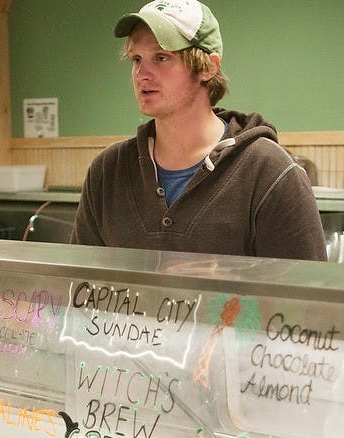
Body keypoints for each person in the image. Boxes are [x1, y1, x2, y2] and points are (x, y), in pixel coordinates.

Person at [72, 0, 327, 260]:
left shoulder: (270, 173)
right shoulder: (106, 172)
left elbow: (308, 298)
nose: (141, 74)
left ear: (207, 67)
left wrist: (220, 297)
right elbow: (78, 288)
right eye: (136, 59)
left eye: (161, 58)